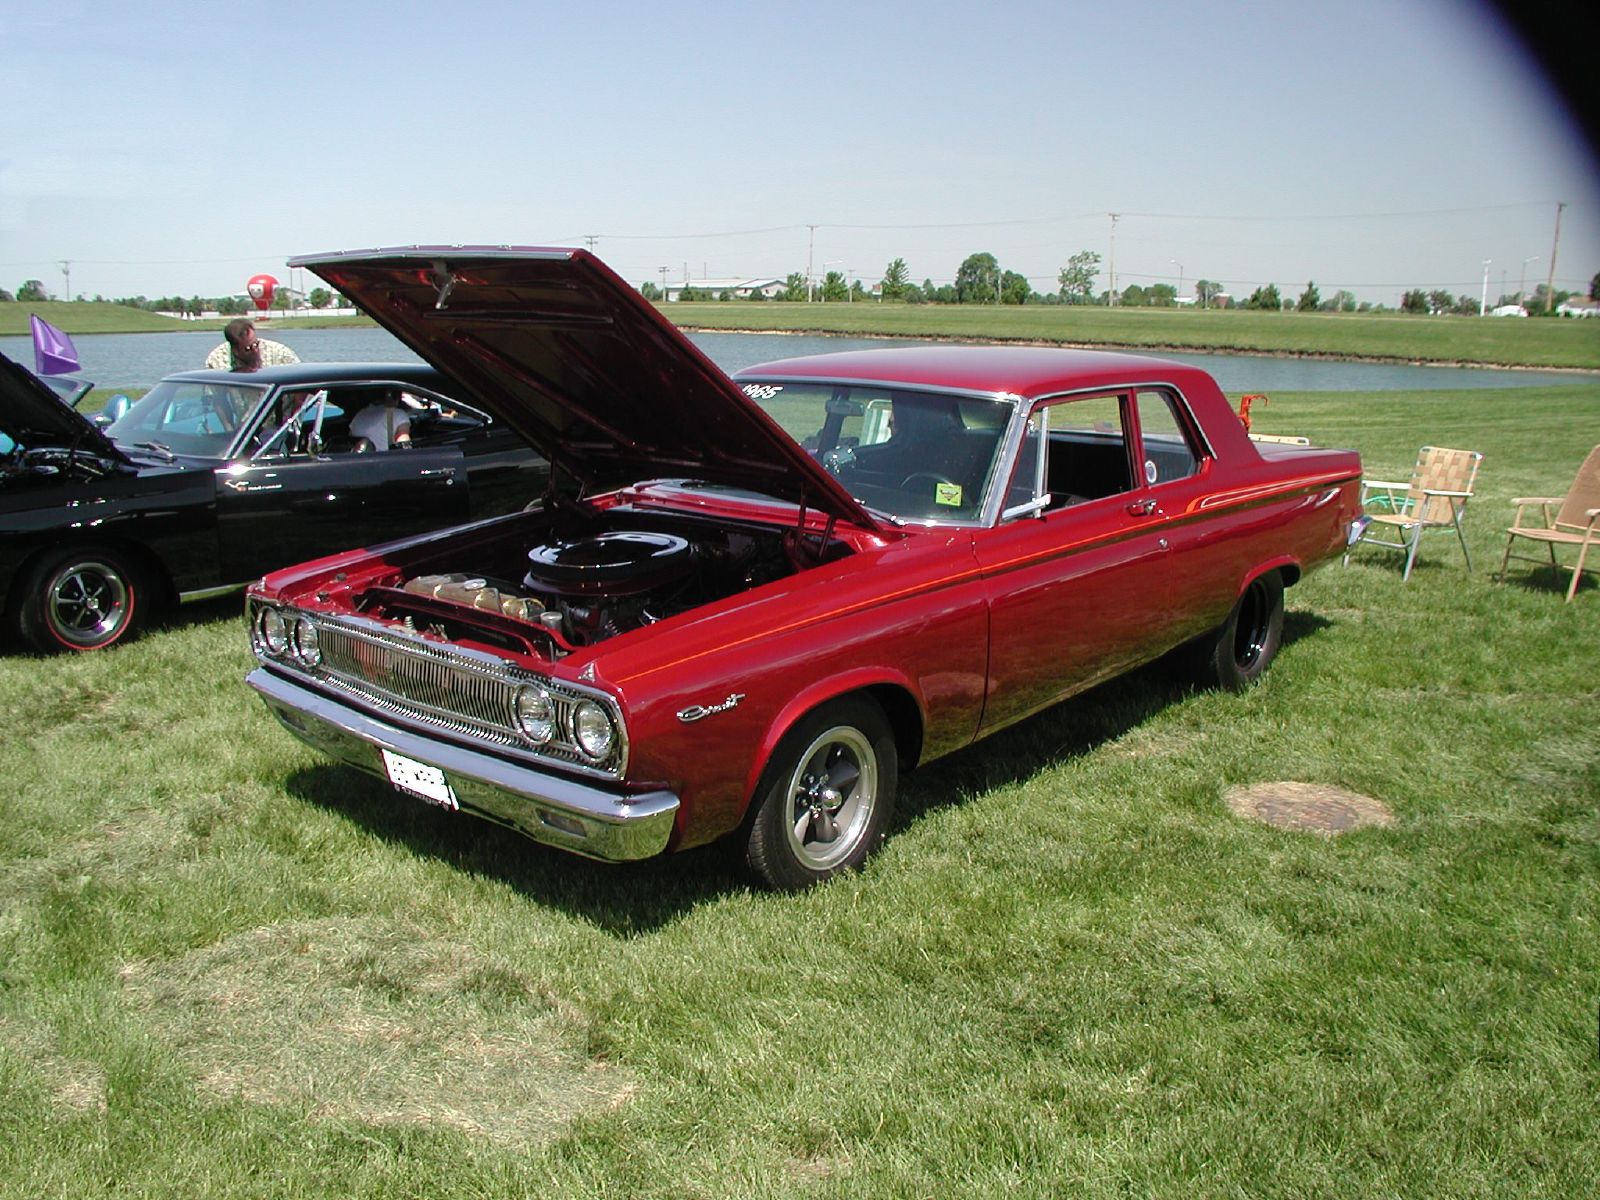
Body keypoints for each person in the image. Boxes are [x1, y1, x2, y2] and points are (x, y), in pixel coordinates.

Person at [205, 318, 300, 372]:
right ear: (234, 349)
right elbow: (215, 397)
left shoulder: (281, 354)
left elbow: (301, 382)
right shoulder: (216, 361)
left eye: (256, 344)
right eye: (248, 348)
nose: (255, 350)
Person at [349, 393, 414, 451]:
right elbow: (403, 443)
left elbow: (351, 435)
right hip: (385, 459)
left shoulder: (360, 414)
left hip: (359, 459)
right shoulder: (398, 414)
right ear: (396, 399)